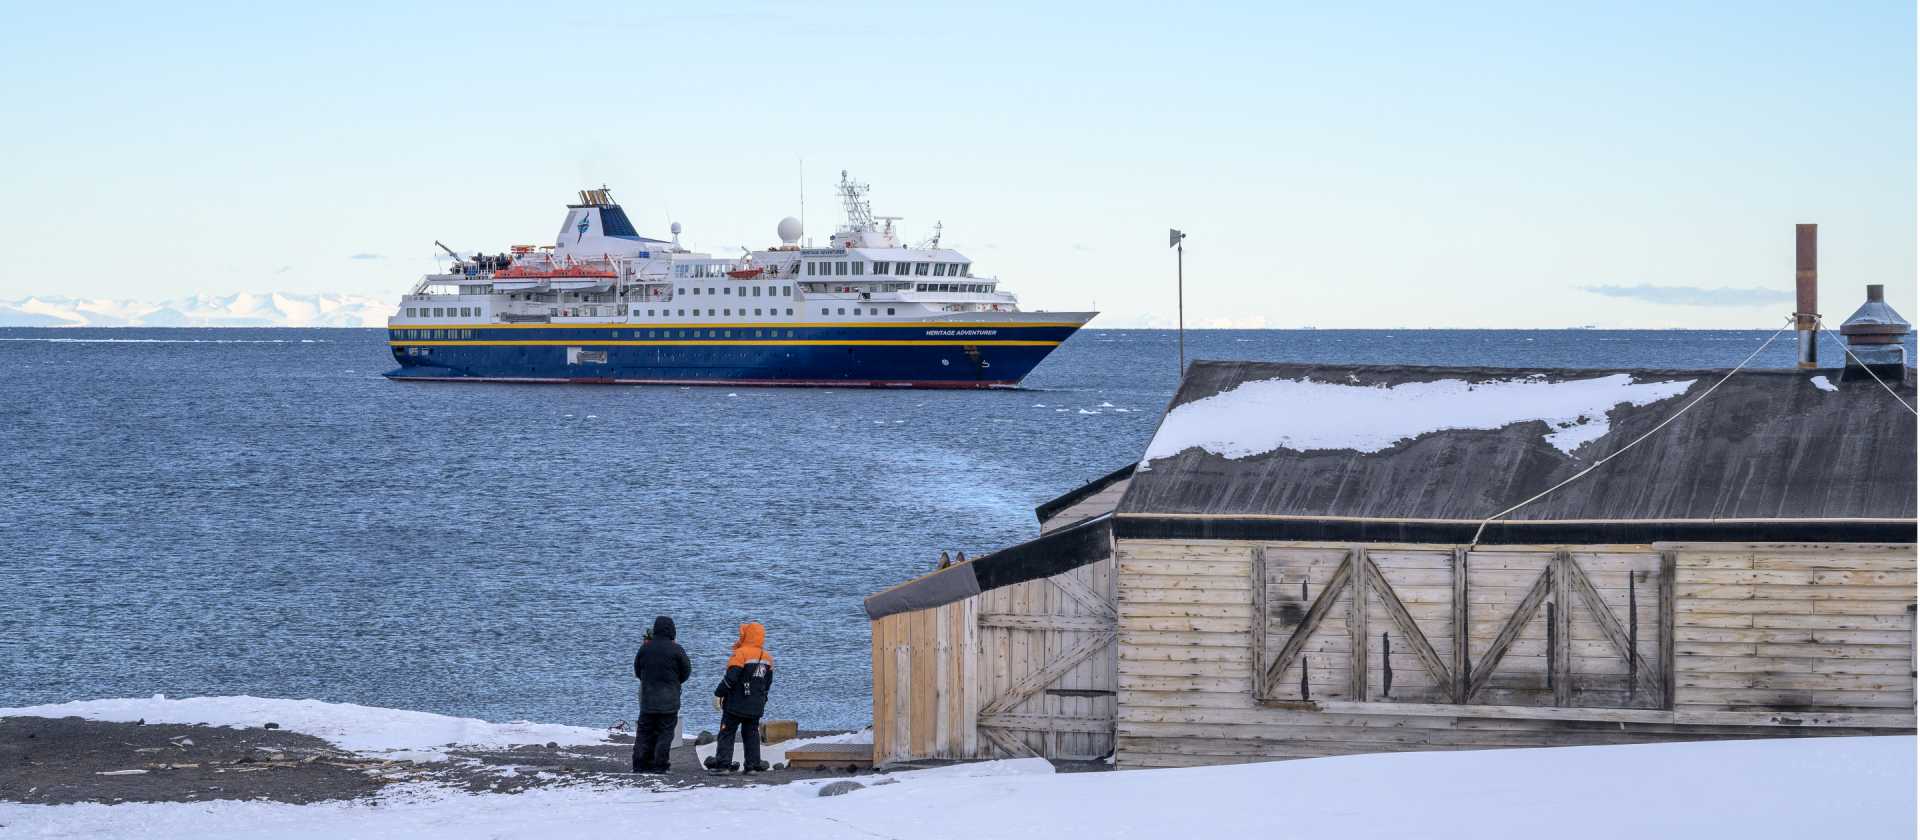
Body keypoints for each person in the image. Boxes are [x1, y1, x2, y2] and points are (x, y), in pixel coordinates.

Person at [704, 622, 774, 773]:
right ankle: (752, 766)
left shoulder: (740, 654)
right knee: (751, 734)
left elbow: (730, 678)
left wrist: (718, 694)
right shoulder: (768, 658)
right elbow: (767, 683)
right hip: (756, 704)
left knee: (727, 732)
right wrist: (762, 698)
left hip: (736, 704)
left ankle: (723, 765)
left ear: (746, 635)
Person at [631, 615, 691, 773]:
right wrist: (674, 683)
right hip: (669, 700)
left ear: (655, 629)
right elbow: (686, 672)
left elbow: (637, 670)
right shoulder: (677, 649)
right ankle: (661, 765)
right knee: (665, 733)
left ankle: (639, 764)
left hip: (648, 699)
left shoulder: (645, 648)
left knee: (644, 732)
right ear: (672, 631)